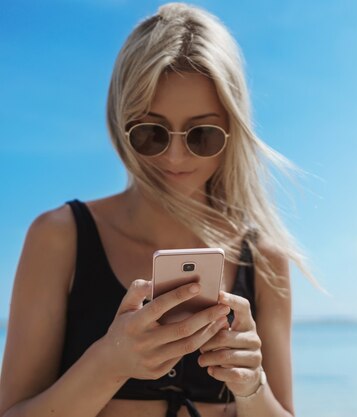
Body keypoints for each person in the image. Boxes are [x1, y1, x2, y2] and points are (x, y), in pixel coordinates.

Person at [0, 3, 314, 417]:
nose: (176, 157)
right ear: (120, 123)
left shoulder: (266, 258)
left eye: (202, 135)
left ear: (232, 132)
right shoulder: (59, 237)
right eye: (151, 133)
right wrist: (109, 363)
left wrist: (251, 385)